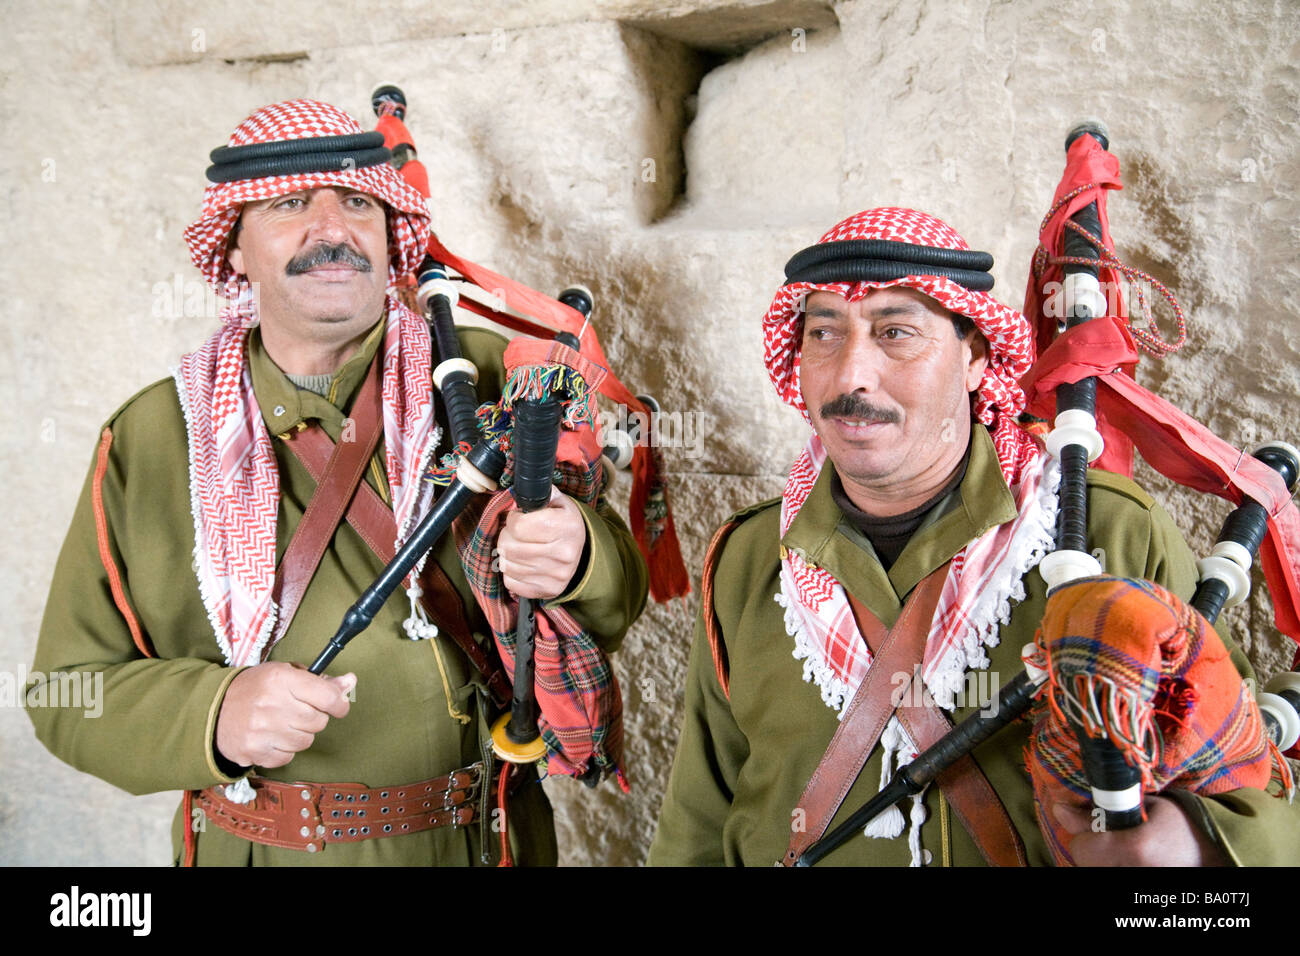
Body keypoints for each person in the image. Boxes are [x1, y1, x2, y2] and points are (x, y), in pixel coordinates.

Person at [28, 99, 647, 866]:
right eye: (291, 203)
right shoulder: (155, 436)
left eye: (358, 202)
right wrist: (211, 714)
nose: (333, 228)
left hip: (482, 844)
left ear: (391, 237)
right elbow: (67, 694)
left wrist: (581, 555)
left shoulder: (498, 380)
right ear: (234, 250)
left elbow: (616, 603)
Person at [648, 206, 1297, 866]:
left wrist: (1194, 846)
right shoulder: (749, 558)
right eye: (823, 334)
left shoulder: (1109, 533)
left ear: (977, 358)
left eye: (896, 332)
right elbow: (699, 823)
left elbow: (1248, 785)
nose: (850, 376)